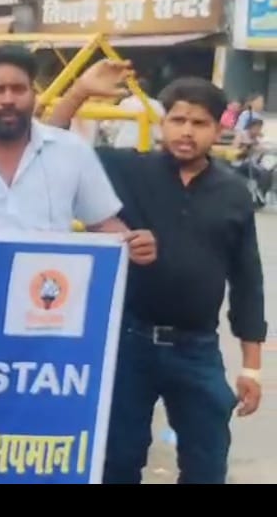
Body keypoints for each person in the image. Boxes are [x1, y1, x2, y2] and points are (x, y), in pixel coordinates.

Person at [49, 67, 266, 484]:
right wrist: (79, 92)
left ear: (217, 129)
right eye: (178, 120)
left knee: (207, 464)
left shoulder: (233, 192)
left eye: (199, 123)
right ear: (163, 122)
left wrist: (251, 369)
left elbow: (247, 281)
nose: (186, 131)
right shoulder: (127, 169)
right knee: (118, 460)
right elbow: (51, 146)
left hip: (198, 350)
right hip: (129, 343)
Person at [0, 44, 157, 267]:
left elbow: (102, 223)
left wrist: (134, 243)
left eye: (18, 89)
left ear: (34, 95)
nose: (8, 100)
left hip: (47, 290)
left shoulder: (72, 151)